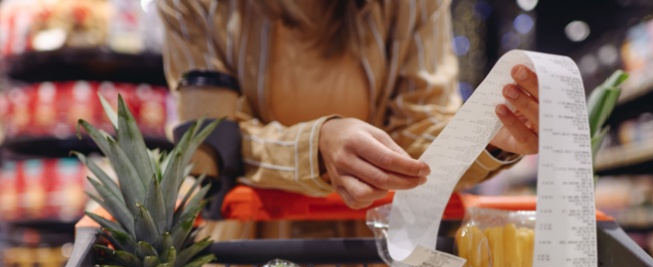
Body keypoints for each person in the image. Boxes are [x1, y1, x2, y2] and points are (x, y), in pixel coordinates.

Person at [156, 0, 539, 212]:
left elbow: (421, 127)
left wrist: (490, 138)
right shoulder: (195, 6)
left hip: (376, 249)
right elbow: (209, 145)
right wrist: (316, 147)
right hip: (251, 247)